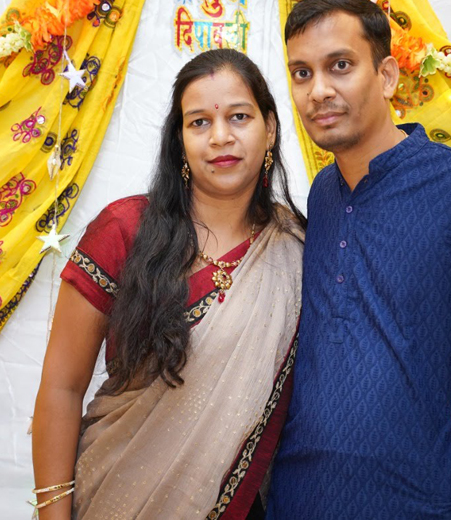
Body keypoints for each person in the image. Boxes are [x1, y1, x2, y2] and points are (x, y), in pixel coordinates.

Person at [265, 0, 451, 519]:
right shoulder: (322, 196)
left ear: (387, 76)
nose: (319, 91)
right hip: (303, 497)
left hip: (423, 502)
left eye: (340, 66)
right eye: (302, 73)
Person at [31, 49, 306, 520]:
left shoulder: (298, 249)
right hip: (113, 495)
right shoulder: (124, 230)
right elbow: (61, 387)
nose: (220, 137)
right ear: (179, 140)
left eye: (239, 117)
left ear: (271, 128)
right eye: (199, 122)